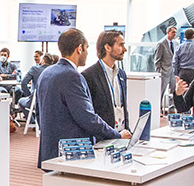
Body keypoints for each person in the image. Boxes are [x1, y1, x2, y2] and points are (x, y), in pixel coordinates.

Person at [35, 29, 127, 167]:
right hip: (72, 152)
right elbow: (87, 117)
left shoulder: (46, 73)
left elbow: (38, 112)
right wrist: (117, 135)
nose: (87, 53)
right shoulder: (72, 76)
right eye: (86, 48)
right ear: (79, 49)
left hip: (50, 149)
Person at [82, 29, 129, 131]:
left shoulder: (121, 74)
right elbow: (89, 114)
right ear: (107, 47)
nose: (124, 49)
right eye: (120, 45)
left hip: (122, 134)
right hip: (103, 137)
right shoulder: (88, 75)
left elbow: (124, 107)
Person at [153, 25, 177, 111]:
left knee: (173, 92)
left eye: (175, 32)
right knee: (160, 92)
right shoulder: (161, 44)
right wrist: (159, 72)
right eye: (173, 32)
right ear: (168, 32)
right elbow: (157, 60)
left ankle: (171, 109)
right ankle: (158, 109)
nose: (174, 34)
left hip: (173, 72)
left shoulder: (175, 43)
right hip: (164, 72)